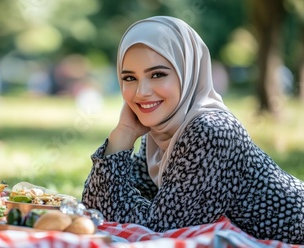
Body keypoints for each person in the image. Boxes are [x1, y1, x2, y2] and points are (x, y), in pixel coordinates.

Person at [81, 16, 304, 244]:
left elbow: (159, 228)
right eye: (129, 78)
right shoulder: (162, 131)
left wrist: (133, 207)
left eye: (157, 74)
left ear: (188, 72)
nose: (141, 92)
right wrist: (124, 134)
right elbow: (95, 209)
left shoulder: (210, 131)